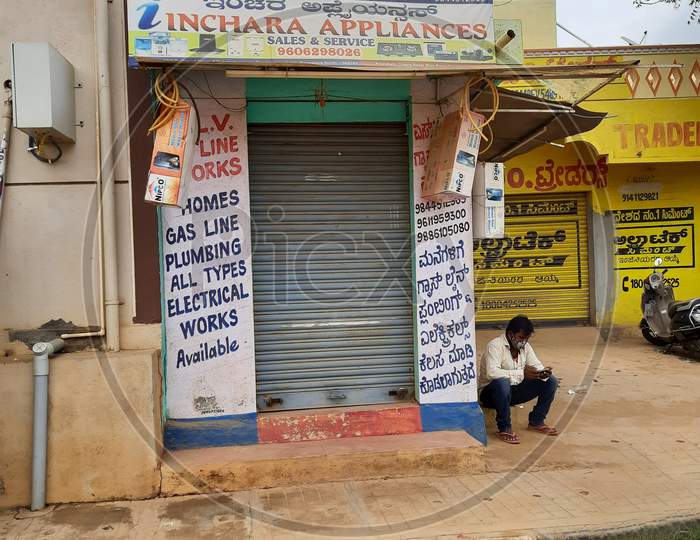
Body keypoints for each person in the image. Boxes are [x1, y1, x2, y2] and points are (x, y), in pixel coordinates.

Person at [479, 315, 559, 444]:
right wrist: (521, 374)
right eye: (521, 338)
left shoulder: (525, 347)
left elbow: (536, 365)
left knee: (551, 381)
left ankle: (536, 421)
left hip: (512, 392)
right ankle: (504, 428)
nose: (524, 342)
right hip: (490, 395)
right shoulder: (494, 346)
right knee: (502, 382)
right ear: (510, 334)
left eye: (526, 339)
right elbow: (491, 373)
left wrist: (542, 373)